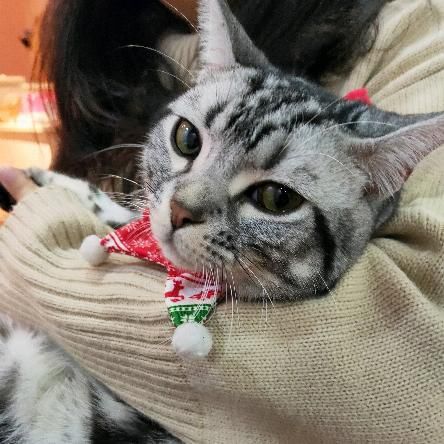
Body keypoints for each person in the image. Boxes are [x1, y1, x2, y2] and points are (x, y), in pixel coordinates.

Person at [0, 0, 443, 442]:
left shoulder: (415, 29)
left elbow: (406, 369)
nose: (184, 204)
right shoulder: (99, 38)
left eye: (274, 196)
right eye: (188, 140)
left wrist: (40, 261)